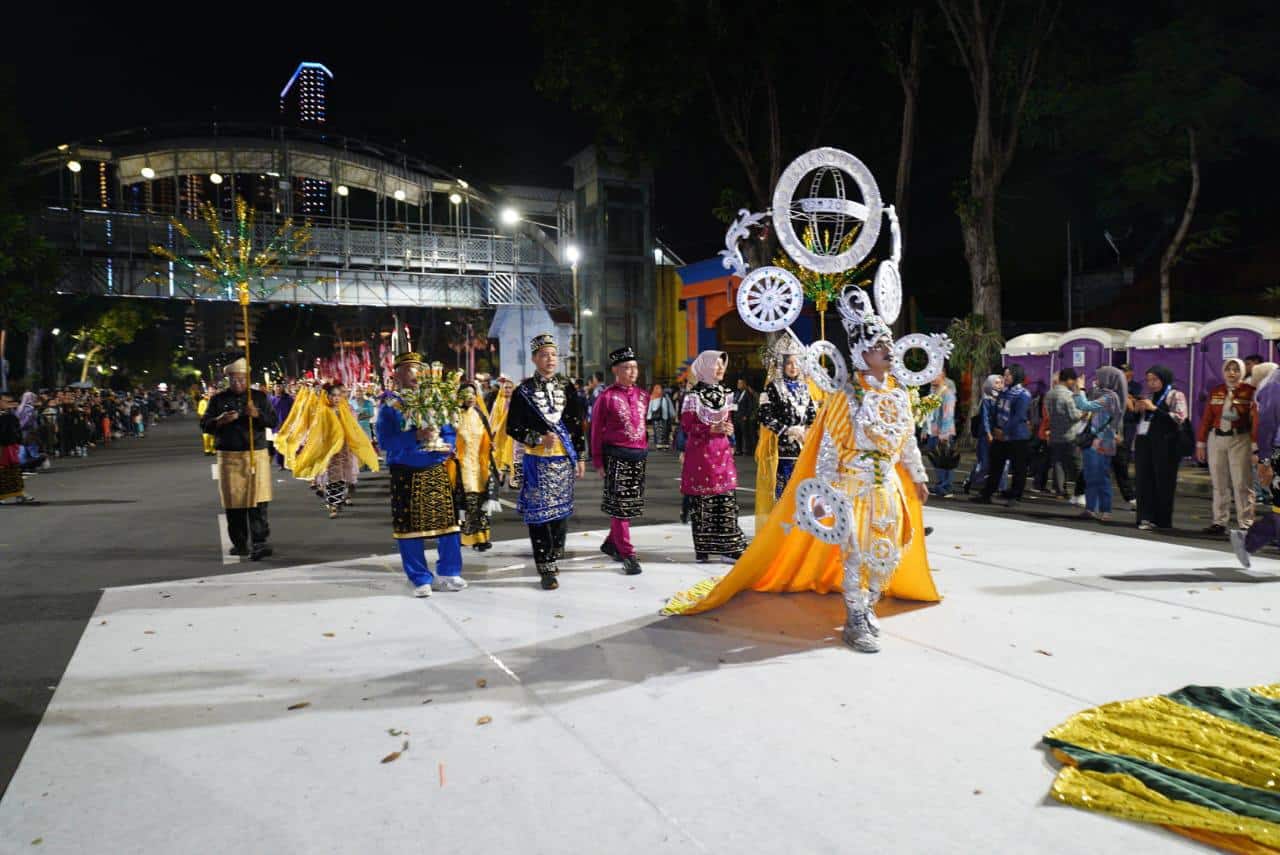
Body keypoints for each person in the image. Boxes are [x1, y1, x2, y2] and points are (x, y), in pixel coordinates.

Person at [665, 286, 939, 654]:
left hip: (886, 488)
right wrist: (825, 494)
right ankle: (855, 615)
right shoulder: (846, 396)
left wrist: (918, 476)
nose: (889, 350)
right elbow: (828, 448)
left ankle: (870, 603)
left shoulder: (898, 394)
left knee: (885, 553)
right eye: (879, 343)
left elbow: (907, 441)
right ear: (860, 351)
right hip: (851, 487)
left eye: (890, 342)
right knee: (855, 553)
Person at [377, 352, 466, 597]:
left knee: (448, 525)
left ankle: (449, 572)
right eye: (408, 369)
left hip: (435, 468)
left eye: (418, 368)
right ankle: (419, 577)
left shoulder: (436, 399)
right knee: (409, 529)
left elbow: (449, 430)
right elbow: (385, 441)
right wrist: (415, 436)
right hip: (406, 472)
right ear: (396, 375)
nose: (414, 374)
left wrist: (445, 447)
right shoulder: (391, 406)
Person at [505, 333, 587, 590]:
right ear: (534, 359)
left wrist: (580, 456)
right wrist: (538, 438)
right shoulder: (523, 391)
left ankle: (555, 553)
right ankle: (546, 567)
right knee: (539, 514)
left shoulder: (568, 387)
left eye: (553, 354)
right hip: (537, 461)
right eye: (544, 355)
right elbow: (512, 427)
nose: (550, 359)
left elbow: (576, 425)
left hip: (563, 460)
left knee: (561, 510)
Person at [201, 358, 278, 560]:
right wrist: (220, 420)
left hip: (256, 454)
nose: (238, 384)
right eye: (234, 380)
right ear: (228, 379)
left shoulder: (259, 397)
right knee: (234, 504)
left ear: (247, 378)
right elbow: (205, 425)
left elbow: (273, 421)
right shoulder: (217, 400)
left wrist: (257, 414)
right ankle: (240, 543)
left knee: (258, 502)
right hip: (229, 456)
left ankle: (259, 542)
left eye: (241, 380)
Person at [680, 350, 748, 562]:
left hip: (722, 453)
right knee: (703, 501)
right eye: (716, 365)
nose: (720, 369)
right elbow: (687, 425)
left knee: (725, 498)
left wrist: (729, 430)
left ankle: (729, 547)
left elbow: (728, 420)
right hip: (701, 454)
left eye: (722, 365)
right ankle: (704, 548)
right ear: (705, 367)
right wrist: (710, 429)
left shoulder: (726, 392)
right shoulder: (693, 395)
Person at [590, 346, 649, 575]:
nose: (632, 371)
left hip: (638, 456)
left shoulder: (643, 395)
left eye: (635, 367)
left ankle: (611, 543)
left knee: (629, 506)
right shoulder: (606, 397)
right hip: (616, 456)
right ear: (616, 370)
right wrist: (598, 461)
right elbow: (595, 431)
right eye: (627, 367)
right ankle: (628, 553)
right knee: (621, 507)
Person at [292, 382, 379, 519]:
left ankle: (338, 500)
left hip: (345, 448)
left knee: (345, 475)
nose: (336, 398)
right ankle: (333, 505)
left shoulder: (345, 409)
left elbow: (353, 428)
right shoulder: (323, 411)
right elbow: (318, 431)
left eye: (339, 395)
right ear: (328, 396)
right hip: (330, 448)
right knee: (334, 476)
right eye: (333, 395)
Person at [754, 338, 817, 528]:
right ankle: (782, 531)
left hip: (804, 448)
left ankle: (803, 532)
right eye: (789, 363)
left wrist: (808, 430)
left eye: (797, 362)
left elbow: (812, 415)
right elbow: (764, 416)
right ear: (782, 364)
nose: (793, 367)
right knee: (784, 495)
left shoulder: (805, 388)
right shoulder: (772, 388)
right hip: (783, 452)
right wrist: (787, 430)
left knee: (806, 494)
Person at [1196, 358, 1257, 537]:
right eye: (1228, 369)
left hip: (1240, 439)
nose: (1232, 373)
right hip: (1216, 438)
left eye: (1236, 369)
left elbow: (1255, 421)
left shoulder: (1250, 392)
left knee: (1241, 482)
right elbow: (1207, 418)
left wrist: (1255, 446)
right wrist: (1201, 442)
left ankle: (1246, 523)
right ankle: (1219, 522)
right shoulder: (1216, 391)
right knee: (1219, 482)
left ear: (1243, 372)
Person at [1230, 362, 1279, 567]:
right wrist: (1264, 459)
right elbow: (1267, 423)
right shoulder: (1275, 384)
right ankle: (1248, 540)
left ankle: (1248, 540)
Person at [1134, 365, 1189, 532]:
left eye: (1155, 379)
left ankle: (1163, 520)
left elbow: (1180, 418)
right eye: (1149, 380)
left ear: (1164, 378)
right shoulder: (1148, 395)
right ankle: (1145, 517)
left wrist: (1155, 409)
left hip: (1166, 445)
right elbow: (1141, 419)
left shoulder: (1175, 395)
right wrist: (1137, 410)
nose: (1151, 383)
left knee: (1163, 483)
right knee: (1144, 481)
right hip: (1145, 441)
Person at [1072, 367, 1127, 522]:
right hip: (1094, 441)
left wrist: (1081, 388)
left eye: (1099, 377)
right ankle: (1091, 508)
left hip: (1103, 441)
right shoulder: (1101, 394)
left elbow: (1085, 406)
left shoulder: (1110, 397)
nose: (1096, 380)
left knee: (1101, 476)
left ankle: (1105, 510)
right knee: (1091, 476)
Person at [973, 364, 1032, 507]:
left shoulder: (1023, 394)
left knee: (1018, 468)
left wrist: (1003, 430)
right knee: (995, 465)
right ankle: (987, 493)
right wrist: (995, 429)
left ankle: (1015, 496)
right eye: (1004, 375)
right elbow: (996, 412)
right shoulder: (1004, 392)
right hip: (1001, 435)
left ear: (1016, 376)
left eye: (1008, 375)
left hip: (1017, 436)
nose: (1005, 378)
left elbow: (1019, 417)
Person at [455, 380, 501, 552]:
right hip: (462, 464)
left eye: (473, 393)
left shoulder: (480, 414)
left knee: (482, 503)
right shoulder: (455, 415)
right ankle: (467, 537)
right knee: (470, 502)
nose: (471, 397)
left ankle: (482, 538)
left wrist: (492, 451)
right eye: (466, 394)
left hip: (481, 464)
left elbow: (488, 437)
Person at [1045, 369, 1084, 499]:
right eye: (1073, 381)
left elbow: (1048, 414)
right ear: (1069, 380)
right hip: (1071, 434)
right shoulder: (1069, 395)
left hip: (1055, 433)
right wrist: (1084, 413)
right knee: (1077, 463)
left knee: (1058, 463)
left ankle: (1059, 490)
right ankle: (1081, 490)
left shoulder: (1049, 394)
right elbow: (1074, 416)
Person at [922, 371, 957, 497]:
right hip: (933, 431)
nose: (931, 378)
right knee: (936, 459)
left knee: (944, 458)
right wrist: (925, 429)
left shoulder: (947, 394)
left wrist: (944, 433)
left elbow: (948, 415)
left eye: (934, 375)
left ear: (942, 376)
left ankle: (946, 486)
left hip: (943, 432)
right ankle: (941, 484)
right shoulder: (932, 392)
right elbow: (927, 412)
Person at [0, 394, 32, 504]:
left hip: (10, 447)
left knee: (14, 470)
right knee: (2, 472)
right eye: (5, 401)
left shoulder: (11, 416)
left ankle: (19, 494)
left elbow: (17, 431)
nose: (8, 404)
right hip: (1, 448)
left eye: (9, 401)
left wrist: (18, 443)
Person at [269, 383, 295, 469]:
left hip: (287, 425)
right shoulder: (271, 400)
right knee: (278, 445)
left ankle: (288, 462)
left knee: (287, 444)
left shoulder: (288, 399)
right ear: (274, 388)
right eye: (277, 386)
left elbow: (293, 411)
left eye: (280, 386)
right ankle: (280, 463)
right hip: (276, 426)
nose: (278, 388)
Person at [647, 383, 675, 449]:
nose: (659, 390)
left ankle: (664, 444)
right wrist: (648, 416)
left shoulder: (665, 396)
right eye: (657, 388)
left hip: (664, 417)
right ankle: (659, 444)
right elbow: (650, 407)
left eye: (659, 388)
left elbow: (670, 405)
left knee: (664, 430)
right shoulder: (653, 397)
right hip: (659, 417)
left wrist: (672, 414)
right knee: (659, 431)